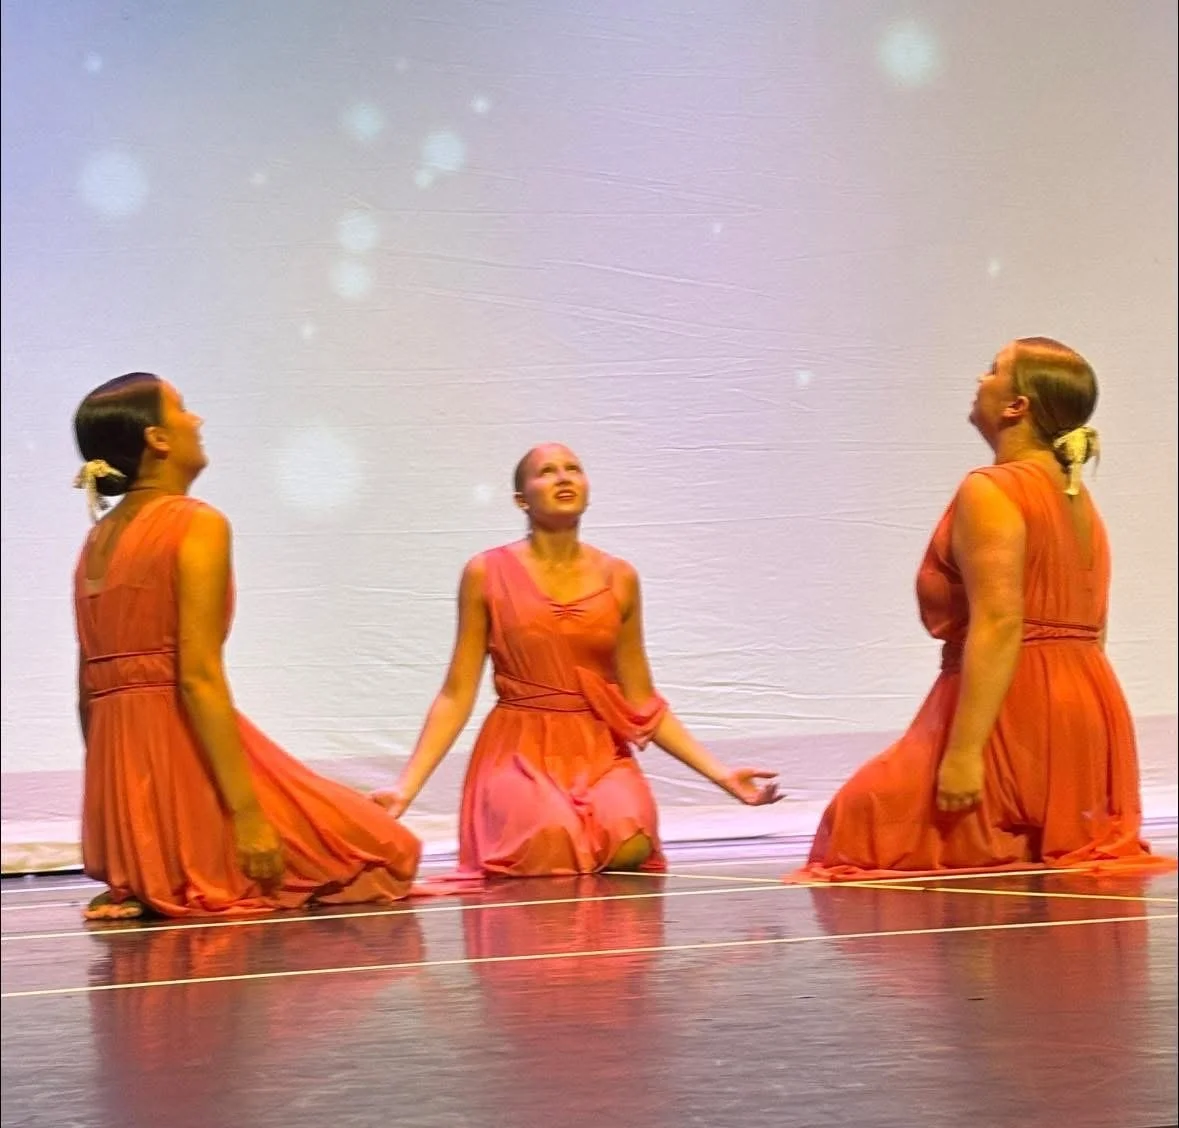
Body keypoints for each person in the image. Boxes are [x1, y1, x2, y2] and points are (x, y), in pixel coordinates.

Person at [794, 337, 1175, 881]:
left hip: (1014, 704)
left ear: (1018, 405)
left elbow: (1000, 621)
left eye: (993, 371)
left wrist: (966, 752)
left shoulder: (991, 490)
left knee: (862, 824)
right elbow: (1092, 629)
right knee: (1021, 873)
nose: (980, 380)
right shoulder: (1074, 497)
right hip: (1084, 703)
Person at [73, 372, 422, 918]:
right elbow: (197, 678)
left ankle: (164, 865)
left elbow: (88, 693)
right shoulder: (195, 523)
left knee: (342, 816)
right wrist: (247, 815)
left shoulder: (97, 537)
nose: (198, 420)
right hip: (182, 749)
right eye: (183, 410)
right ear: (157, 439)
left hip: (130, 802)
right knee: (388, 851)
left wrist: (122, 837)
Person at [372, 442, 781, 876]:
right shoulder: (485, 573)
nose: (564, 477)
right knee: (551, 836)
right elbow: (457, 694)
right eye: (547, 471)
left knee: (629, 838)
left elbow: (641, 700)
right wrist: (406, 788)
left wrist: (723, 777)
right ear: (521, 500)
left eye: (573, 469)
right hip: (519, 748)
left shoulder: (619, 576)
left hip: (597, 746)